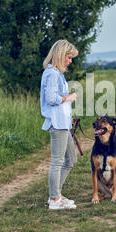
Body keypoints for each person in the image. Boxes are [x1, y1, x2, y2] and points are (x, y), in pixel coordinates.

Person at [41, 40, 79, 210]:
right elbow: (51, 99)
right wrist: (68, 98)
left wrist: (68, 116)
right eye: (69, 57)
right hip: (57, 125)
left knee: (71, 159)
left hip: (63, 124)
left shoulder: (58, 74)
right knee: (58, 161)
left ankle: (56, 194)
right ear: (60, 55)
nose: (70, 61)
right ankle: (54, 199)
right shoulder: (52, 74)